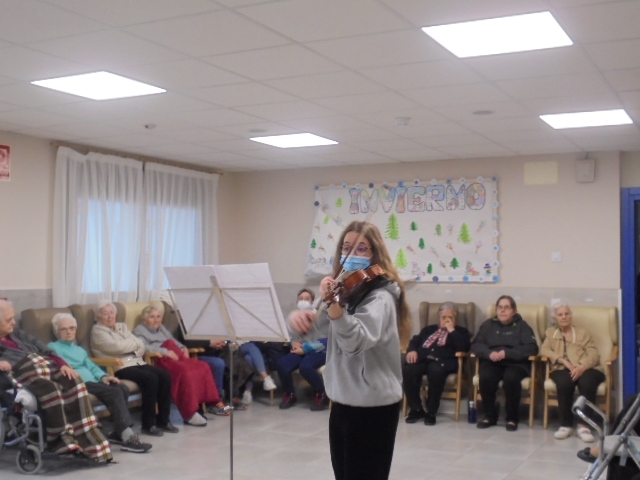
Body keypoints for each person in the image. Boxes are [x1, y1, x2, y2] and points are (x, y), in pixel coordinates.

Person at [290, 221, 412, 480]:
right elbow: (320, 327)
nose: (351, 254)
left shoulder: (381, 296)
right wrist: (300, 317)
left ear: (375, 253)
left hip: (372, 404)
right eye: (346, 248)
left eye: (361, 249)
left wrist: (334, 306)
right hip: (343, 399)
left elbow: (355, 340)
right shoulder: (345, 287)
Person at [0, 300, 112, 462]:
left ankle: (92, 442)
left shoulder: (16, 333)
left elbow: (45, 349)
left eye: (13, 318)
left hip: (45, 365)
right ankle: (61, 442)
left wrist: (62, 364)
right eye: (8, 320)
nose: (13, 322)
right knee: (50, 389)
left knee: (73, 381)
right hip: (23, 372)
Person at [48, 313, 152, 453]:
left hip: (93, 382)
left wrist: (104, 377)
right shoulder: (53, 347)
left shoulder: (79, 349)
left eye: (72, 328)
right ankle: (128, 438)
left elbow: (92, 367)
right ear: (57, 331)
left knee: (121, 387)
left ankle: (118, 432)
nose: (69, 332)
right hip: (78, 383)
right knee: (114, 392)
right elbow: (54, 366)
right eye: (64, 329)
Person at [90, 300, 179, 437]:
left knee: (165, 376)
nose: (110, 316)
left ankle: (163, 420)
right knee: (150, 379)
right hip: (118, 366)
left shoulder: (121, 326)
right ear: (98, 317)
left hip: (136, 361)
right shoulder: (97, 331)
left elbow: (141, 345)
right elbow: (116, 347)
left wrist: (131, 346)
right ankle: (148, 424)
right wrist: (133, 345)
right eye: (105, 314)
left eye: (112, 313)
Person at [133, 304, 225, 426]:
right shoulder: (139, 330)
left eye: (158, 316)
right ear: (145, 319)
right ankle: (189, 413)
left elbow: (172, 340)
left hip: (176, 357)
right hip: (160, 360)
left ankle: (204, 404)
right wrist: (164, 351)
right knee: (185, 372)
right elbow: (143, 347)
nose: (156, 320)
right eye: (152, 317)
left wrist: (182, 347)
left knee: (203, 367)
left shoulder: (161, 327)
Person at [471, 295, 539, 431]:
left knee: (511, 378)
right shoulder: (488, 325)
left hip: (516, 364)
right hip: (493, 362)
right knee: (486, 377)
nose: (502, 310)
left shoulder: (522, 326)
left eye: (506, 307)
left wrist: (507, 353)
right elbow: (476, 345)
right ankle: (489, 416)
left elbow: (532, 348)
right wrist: (488, 353)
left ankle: (512, 418)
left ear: (514, 311)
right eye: (500, 307)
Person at [540, 303, 604, 442]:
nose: (564, 317)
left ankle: (583, 426)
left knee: (587, 383)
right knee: (564, 383)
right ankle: (566, 425)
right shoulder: (551, 333)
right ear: (555, 318)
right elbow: (544, 350)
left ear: (571, 316)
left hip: (587, 368)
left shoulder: (582, 333)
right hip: (562, 369)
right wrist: (562, 360)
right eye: (560, 314)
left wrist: (582, 367)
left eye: (566, 314)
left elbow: (594, 354)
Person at [403, 301, 471, 425]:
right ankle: (416, 409)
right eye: (443, 317)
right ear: (439, 318)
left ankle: (431, 411)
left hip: (444, 362)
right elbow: (415, 340)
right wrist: (412, 350)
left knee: (436, 371)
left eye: (450, 317)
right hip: (423, 359)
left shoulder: (461, 332)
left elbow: (463, 347)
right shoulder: (428, 329)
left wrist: (451, 330)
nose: (446, 320)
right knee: (409, 369)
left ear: (455, 319)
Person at [278, 288, 329, 411]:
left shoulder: (323, 314)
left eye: (307, 299)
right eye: (301, 299)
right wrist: (294, 343)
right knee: (282, 364)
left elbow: (328, 340)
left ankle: (321, 394)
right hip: (302, 349)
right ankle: (289, 394)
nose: (303, 301)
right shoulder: (295, 316)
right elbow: (292, 336)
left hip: (320, 349)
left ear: (313, 301)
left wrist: (305, 349)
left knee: (306, 367)